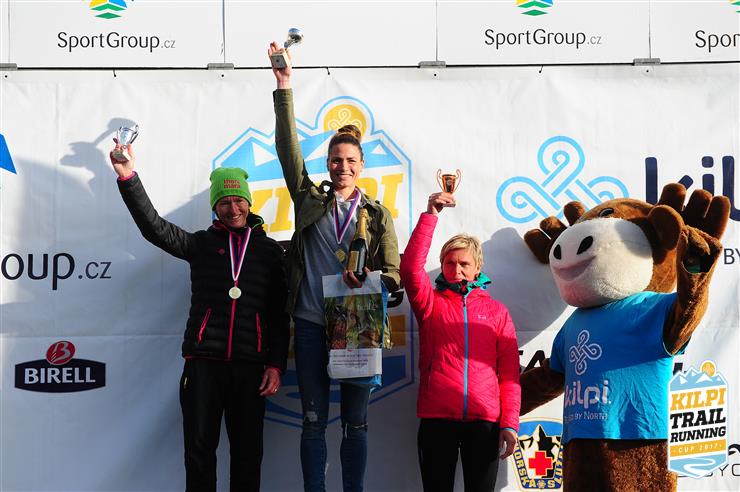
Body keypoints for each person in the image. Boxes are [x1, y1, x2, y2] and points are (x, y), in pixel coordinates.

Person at [110, 141, 289, 492]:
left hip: (250, 368)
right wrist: (128, 177)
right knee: (198, 454)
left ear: (249, 203)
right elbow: (154, 228)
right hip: (203, 366)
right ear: (215, 208)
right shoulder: (200, 244)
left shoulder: (269, 251)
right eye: (224, 202)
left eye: (238, 200)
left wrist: (275, 364)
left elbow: (279, 315)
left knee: (248, 456)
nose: (233, 208)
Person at [268, 42, 401, 492]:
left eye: (350, 161)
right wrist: (284, 86)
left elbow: (394, 272)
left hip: (357, 324)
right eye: (336, 160)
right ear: (327, 164)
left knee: (355, 424)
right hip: (310, 323)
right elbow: (287, 149)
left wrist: (370, 279)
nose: (342, 166)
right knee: (312, 422)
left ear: (362, 166)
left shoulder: (378, 214)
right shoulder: (309, 199)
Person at [400, 191, 520, 492]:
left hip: (484, 421)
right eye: (450, 263)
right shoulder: (429, 303)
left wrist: (510, 423)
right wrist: (431, 215)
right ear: (442, 266)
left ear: (478, 268)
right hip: (437, 418)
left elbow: (509, 375)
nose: (457, 270)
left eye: (464, 263)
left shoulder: (497, 312)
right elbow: (410, 269)